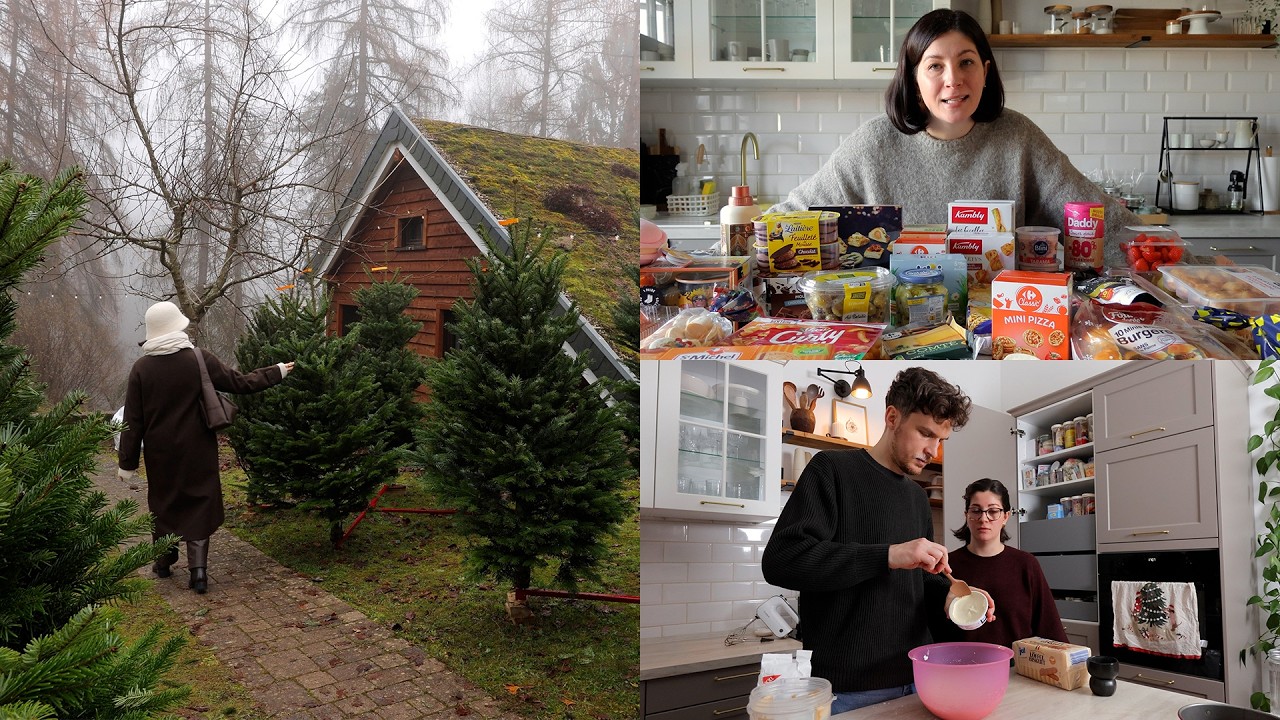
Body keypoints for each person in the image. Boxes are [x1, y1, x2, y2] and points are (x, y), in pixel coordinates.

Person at [767, 9, 1141, 269]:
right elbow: (796, 214)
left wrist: (1161, 254)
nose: (953, 79)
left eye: (966, 62)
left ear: (985, 71)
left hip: (1006, 323)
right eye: (935, 66)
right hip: (896, 323)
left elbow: (1091, 213)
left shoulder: (1018, 137)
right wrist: (732, 252)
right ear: (914, 79)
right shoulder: (872, 145)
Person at [761, 367, 994, 715]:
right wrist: (887, 555)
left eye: (941, 440)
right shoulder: (831, 470)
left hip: (918, 678)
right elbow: (782, 559)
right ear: (892, 417)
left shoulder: (916, 498)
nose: (933, 450)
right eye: (925, 433)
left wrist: (950, 596)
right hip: (848, 689)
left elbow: (920, 581)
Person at [117, 301, 294, 594]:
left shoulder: (141, 369)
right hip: (198, 447)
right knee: (199, 501)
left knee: (164, 504)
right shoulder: (199, 359)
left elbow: (133, 420)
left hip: (160, 453)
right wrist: (276, 371)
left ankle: (163, 561)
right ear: (177, 327)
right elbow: (240, 383)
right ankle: (198, 572)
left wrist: (128, 463)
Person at [940, 478, 1068, 648]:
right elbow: (932, 630)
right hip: (961, 668)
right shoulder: (946, 567)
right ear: (967, 515)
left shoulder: (1026, 564)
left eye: (993, 511)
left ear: (1006, 516)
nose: (983, 518)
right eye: (976, 510)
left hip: (1017, 670)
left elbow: (1050, 628)